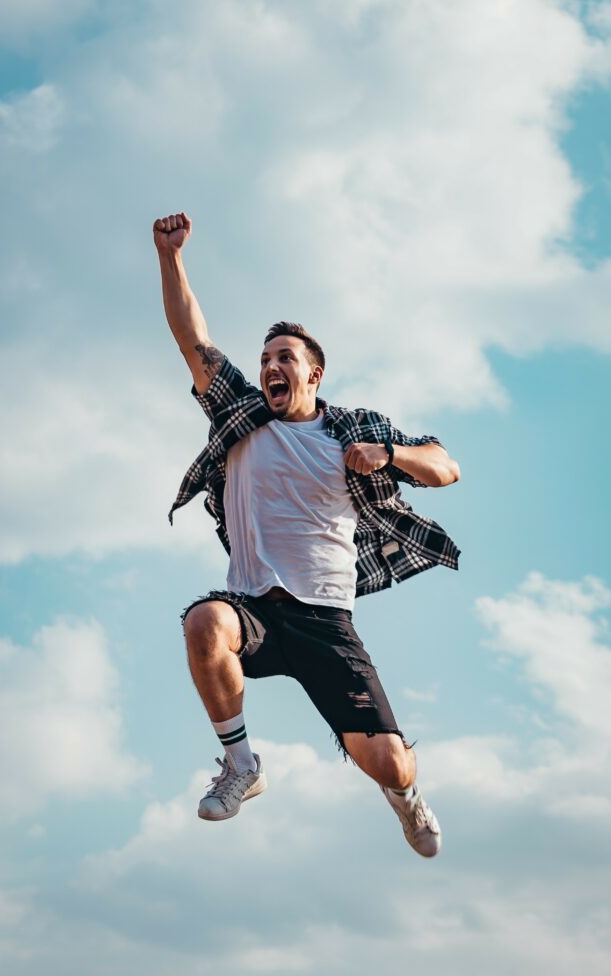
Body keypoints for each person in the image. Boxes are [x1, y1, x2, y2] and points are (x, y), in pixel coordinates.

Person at [154, 211, 461, 857]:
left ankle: (404, 798)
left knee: (389, 763)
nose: (270, 365)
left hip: (325, 619)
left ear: (313, 375)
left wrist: (388, 454)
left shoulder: (351, 427)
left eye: (284, 358)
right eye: (265, 357)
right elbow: (192, 340)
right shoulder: (239, 411)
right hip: (253, 606)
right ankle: (241, 765)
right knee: (204, 623)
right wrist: (170, 256)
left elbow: (444, 466)